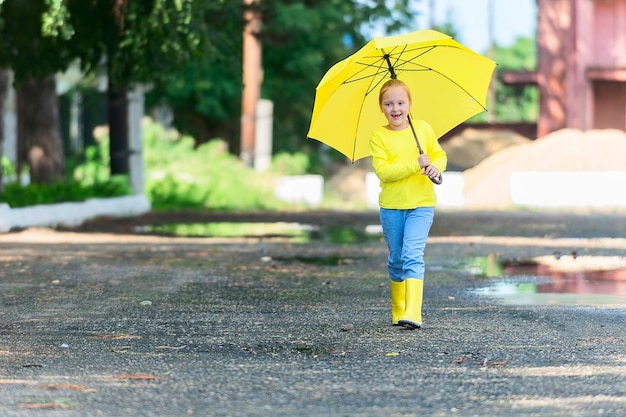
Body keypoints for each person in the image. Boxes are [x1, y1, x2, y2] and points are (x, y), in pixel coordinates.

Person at [369, 78, 447, 329]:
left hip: (421, 204)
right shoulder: (378, 136)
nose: (395, 109)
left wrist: (434, 166)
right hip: (392, 206)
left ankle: (413, 311)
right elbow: (384, 172)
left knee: (413, 255)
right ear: (381, 107)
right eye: (389, 103)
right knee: (397, 259)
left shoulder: (422, 129)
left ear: (410, 104)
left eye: (401, 102)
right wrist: (416, 164)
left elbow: (439, 155)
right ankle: (398, 308)